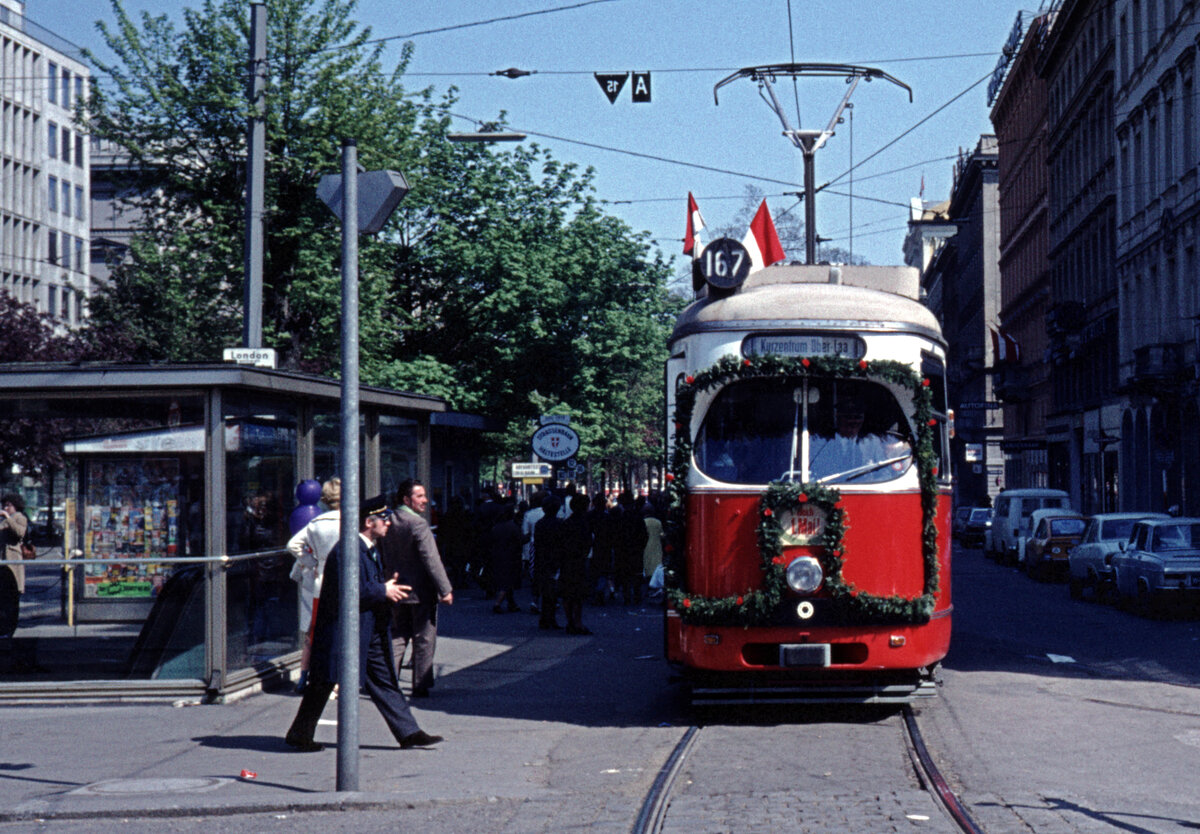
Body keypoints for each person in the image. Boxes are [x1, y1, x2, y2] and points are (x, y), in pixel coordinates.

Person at [284, 494, 442, 752]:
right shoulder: (348, 550)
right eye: (384, 519)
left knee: (384, 681)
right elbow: (350, 589)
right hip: (345, 631)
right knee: (324, 681)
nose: (388, 523)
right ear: (370, 522)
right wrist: (383, 591)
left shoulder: (366, 548)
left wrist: (384, 589)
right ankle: (300, 734)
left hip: (369, 629)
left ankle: (409, 732)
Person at [379, 479, 453, 698]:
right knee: (424, 637)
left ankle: (387, 682)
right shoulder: (418, 524)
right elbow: (431, 559)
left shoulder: (389, 521)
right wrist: (445, 589)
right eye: (420, 496)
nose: (425, 500)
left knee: (397, 636)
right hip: (420, 591)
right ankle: (420, 683)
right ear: (406, 499)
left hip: (395, 589)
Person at [286, 477, 341, 693]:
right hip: (341, 585)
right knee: (339, 632)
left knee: (312, 633)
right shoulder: (350, 523)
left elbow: (293, 544)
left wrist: (313, 562)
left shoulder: (316, 523)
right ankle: (334, 679)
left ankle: (303, 678)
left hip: (318, 584)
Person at [559, 495, 592, 635]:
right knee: (578, 595)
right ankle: (578, 622)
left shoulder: (566, 523)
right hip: (579, 561)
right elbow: (588, 543)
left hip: (566, 561)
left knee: (567, 594)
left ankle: (569, 622)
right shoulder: (585, 523)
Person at [487, 500, 523, 614]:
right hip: (511, 556)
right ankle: (497, 603)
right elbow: (520, 540)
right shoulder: (513, 526)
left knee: (505, 580)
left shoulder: (496, 527)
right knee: (507, 581)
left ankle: (512, 603)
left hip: (497, 555)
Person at [0, 494, 29, 639]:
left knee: (12, 599)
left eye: (8, 505)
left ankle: (10, 628)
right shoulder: (5, 521)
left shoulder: (19, 518)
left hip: (12, 563)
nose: (6, 508)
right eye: (4, 505)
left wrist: (7, 517)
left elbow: (20, 532)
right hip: (2, 564)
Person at [533, 494, 563, 629]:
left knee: (546, 591)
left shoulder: (539, 524)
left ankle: (545, 618)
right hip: (555, 559)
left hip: (542, 559)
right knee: (553, 591)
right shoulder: (559, 524)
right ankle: (550, 618)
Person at [520, 491, 545, 614]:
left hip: (533, 546)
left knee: (535, 574)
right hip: (551, 545)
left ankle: (535, 600)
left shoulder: (529, 515)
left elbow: (525, 533)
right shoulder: (552, 512)